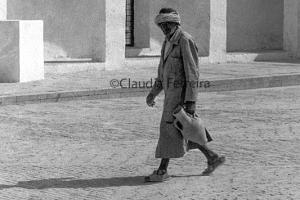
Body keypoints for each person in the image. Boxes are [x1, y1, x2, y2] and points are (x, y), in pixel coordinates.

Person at [145, 8, 225, 182]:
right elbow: (162, 73)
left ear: (176, 23)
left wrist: (191, 101)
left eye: (168, 24)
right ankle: (212, 157)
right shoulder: (167, 42)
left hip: (180, 98)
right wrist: (153, 93)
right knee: (185, 130)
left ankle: (162, 171)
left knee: (169, 130)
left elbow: (192, 73)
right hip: (170, 97)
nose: (164, 28)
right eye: (161, 25)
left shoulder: (185, 40)